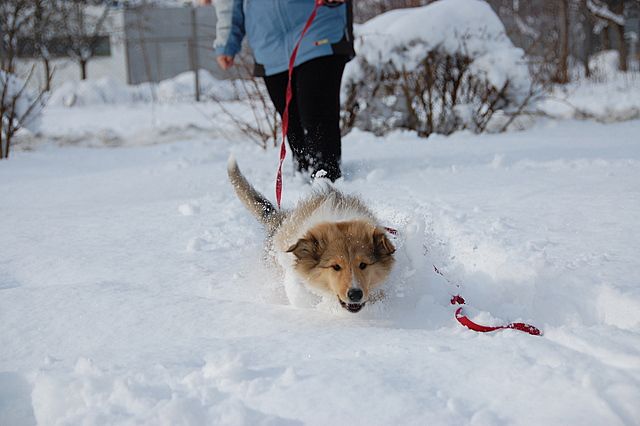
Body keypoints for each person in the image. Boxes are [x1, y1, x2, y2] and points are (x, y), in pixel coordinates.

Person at [214, 0, 354, 182]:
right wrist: (227, 40)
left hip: (319, 26)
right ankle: (303, 177)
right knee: (292, 123)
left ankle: (327, 180)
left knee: (315, 114)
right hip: (268, 42)